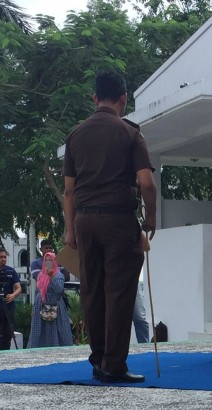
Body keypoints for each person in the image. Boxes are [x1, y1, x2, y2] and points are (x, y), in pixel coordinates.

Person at [63, 70, 156, 383]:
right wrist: (151, 218)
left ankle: (98, 360)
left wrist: (70, 229)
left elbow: (69, 191)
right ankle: (113, 366)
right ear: (124, 98)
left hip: (85, 220)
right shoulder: (130, 134)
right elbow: (146, 183)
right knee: (119, 292)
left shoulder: (75, 135)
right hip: (118, 221)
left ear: (94, 98)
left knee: (92, 290)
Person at [27, 252, 73, 348]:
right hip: (40, 307)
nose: (48, 263)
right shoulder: (40, 275)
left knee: (56, 332)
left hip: (55, 308)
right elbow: (37, 292)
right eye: (46, 260)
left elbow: (59, 289)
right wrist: (34, 308)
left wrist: (51, 276)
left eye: (50, 260)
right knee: (39, 332)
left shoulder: (59, 275)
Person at [0, 247, 22, 350]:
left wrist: (13, 295)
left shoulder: (11, 271)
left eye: (5, 257)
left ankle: (6, 352)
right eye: (1, 257)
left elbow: (18, 288)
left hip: (8, 305)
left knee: (7, 332)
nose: (3, 259)